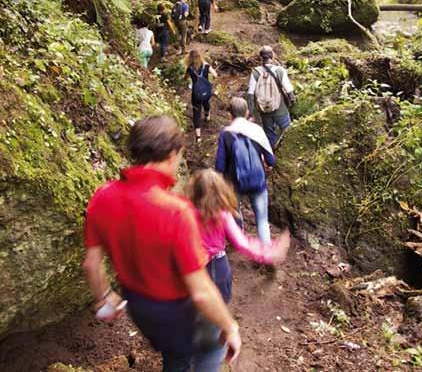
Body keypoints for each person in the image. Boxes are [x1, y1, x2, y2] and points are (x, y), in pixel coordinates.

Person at [83, 116, 241, 372]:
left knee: (175, 356)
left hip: (141, 309)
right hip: (181, 311)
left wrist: (104, 297)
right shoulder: (175, 211)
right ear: (171, 154)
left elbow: (91, 263)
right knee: (212, 350)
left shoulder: (102, 197)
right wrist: (230, 326)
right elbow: (200, 291)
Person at [186, 168, 290, 303]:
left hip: (192, 265)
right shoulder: (221, 214)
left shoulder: (184, 210)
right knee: (219, 305)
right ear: (220, 190)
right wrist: (270, 252)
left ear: (194, 190)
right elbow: (242, 243)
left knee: (195, 305)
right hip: (217, 265)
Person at [215, 97, 276, 243]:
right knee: (262, 220)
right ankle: (266, 253)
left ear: (230, 115)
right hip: (258, 181)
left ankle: (240, 244)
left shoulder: (226, 134)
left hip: (234, 183)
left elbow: (220, 167)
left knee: (235, 212)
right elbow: (271, 160)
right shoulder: (257, 130)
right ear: (247, 112)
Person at [247, 46, 295, 148]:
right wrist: (292, 104)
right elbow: (289, 90)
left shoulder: (255, 72)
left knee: (269, 134)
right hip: (280, 108)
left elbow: (250, 94)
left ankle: (273, 155)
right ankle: (286, 152)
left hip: (264, 110)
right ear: (272, 56)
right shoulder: (279, 70)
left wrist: (252, 112)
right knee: (287, 131)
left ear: (261, 58)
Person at [186, 50, 217, 144]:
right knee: (206, 102)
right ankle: (207, 114)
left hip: (196, 94)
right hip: (206, 91)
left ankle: (198, 137)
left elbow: (185, 78)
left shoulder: (190, 68)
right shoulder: (206, 66)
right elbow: (215, 75)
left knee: (196, 113)